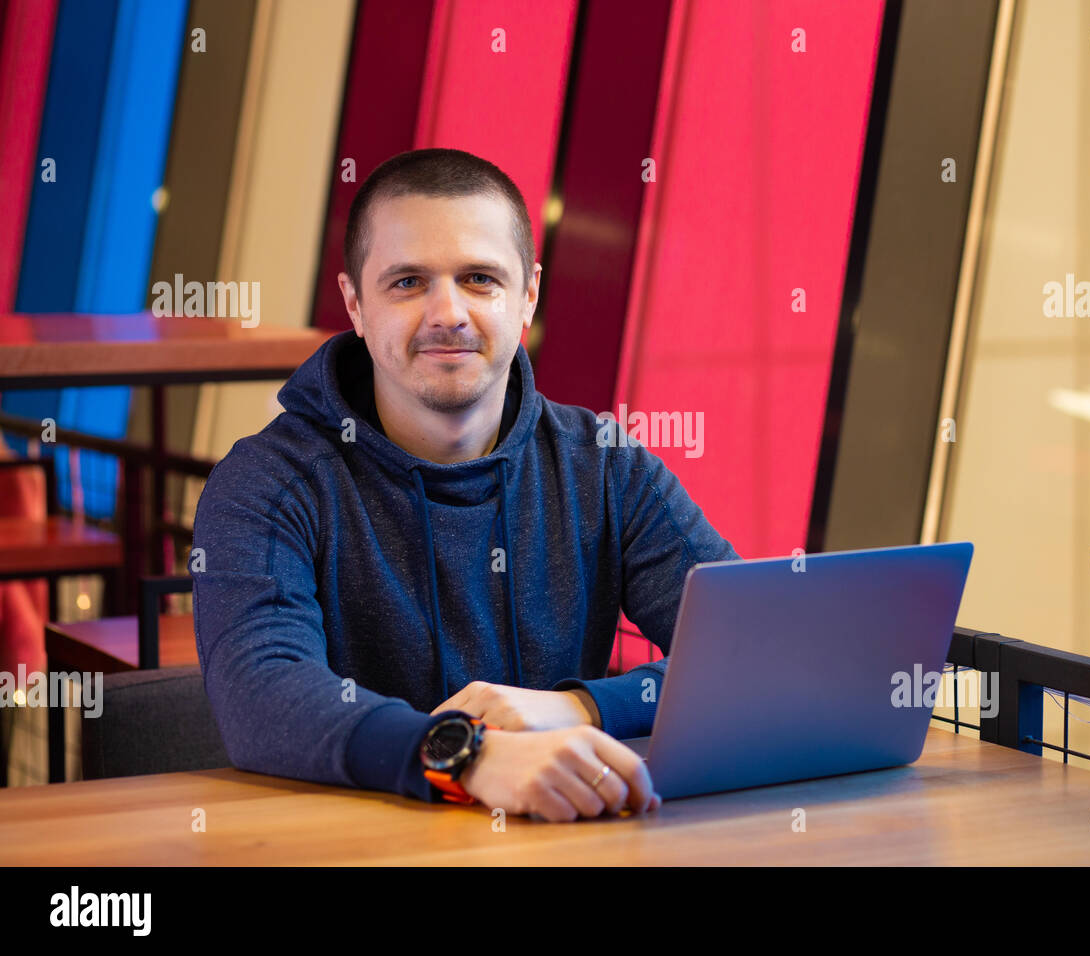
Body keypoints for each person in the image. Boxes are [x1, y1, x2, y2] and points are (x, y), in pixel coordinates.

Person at [191, 147, 739, 822]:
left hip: (565, 841)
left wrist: (579, 707)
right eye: (407, 282)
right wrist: (467, 757)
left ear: (528, 296)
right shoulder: (266, 484)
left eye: (479, 279)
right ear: (355, 305)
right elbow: (261, 693)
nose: (447, 312)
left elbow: (756, 648)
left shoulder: (607, 466)